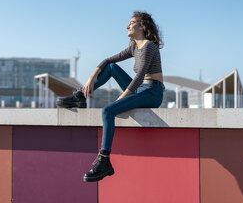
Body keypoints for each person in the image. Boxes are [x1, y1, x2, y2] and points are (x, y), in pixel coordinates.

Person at [56, 11, 165, 182]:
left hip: (153, 92)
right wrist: (90, 79)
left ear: (142, 26)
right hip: (141, 89)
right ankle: (80, 96)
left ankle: (104, 161)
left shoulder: (148, 46)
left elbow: (139, 76)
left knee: (108, 111)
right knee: (112, 67)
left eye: (131, 22)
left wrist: (121, 99)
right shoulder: (133, 47)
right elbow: (107, 61)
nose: (127, 26)